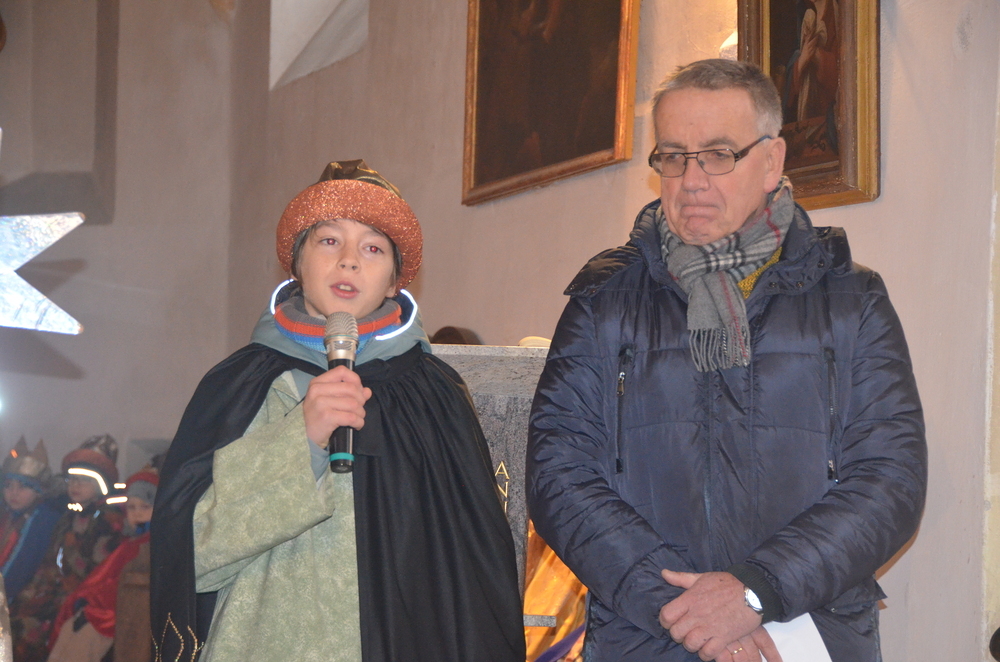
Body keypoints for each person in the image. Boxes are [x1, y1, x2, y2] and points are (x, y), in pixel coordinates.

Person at [526, 59, 927, 662]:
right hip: (648, 634)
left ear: (772, 161)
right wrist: (686, 612)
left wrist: (758, 592)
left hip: (807, 633)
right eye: (673, 156)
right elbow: (558, 474)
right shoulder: (604, 302)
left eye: (718, 154)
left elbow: (890, 479)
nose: (691, 180)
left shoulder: (851, 299)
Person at [150, 160, 525, 662]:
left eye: (372, 248)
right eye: (329, 241)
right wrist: (299, 441)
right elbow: (187, 554)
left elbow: (472, 569)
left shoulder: (434, 392)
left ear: (394, 282)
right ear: (296, 264)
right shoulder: (237, 385)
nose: (349, 261)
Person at [10, 435, 123, 662]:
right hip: (53, 590)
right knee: (12, 621)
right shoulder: (67, 516)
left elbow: (102, 574)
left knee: (31, 632)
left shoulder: (109, 521)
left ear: (100, 484)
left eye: (84, 480)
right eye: (72, 480)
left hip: (83, 598)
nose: (75, 486)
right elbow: (50, 562)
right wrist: (27, 596)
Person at [47, 466, 158, 662]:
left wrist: (91, 602)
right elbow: (102, 576)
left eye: (145, 507)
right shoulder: (130, 543)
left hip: (121, 614)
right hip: (99, 605)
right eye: (131, 508)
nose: (137, 514)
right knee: (68, 631)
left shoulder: (153, 546)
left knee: (83, 637)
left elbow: (121, 583)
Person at [0, 439, 61, 601]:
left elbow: (21, 568)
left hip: (26, 599)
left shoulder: (42, 519)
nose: (13, 493)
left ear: (39, 491)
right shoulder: (7, 515)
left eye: (23, 486)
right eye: (8, 485)